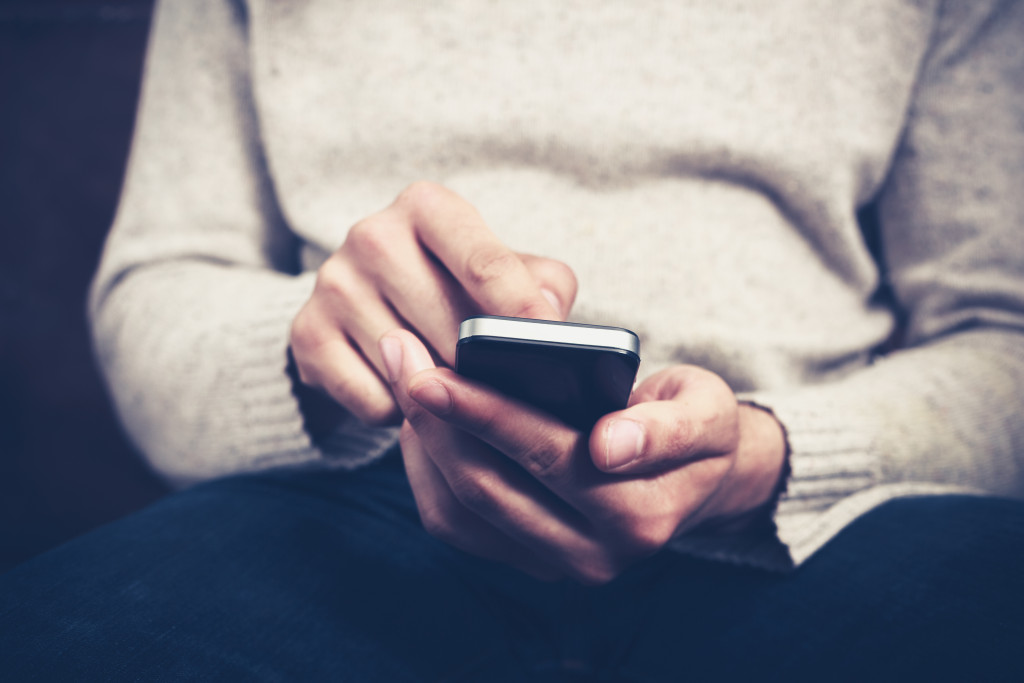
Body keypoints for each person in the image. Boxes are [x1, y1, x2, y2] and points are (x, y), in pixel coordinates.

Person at [1, 0, 1022, 680]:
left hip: (818, 513)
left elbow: (1000, 334)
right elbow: (155, 286)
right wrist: (321, 349)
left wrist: (764, 456)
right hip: (349, 490)